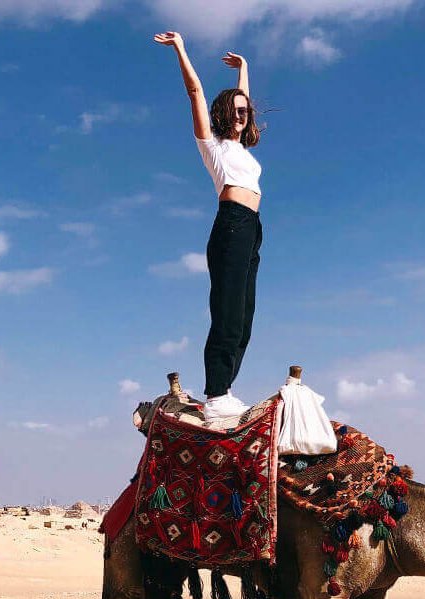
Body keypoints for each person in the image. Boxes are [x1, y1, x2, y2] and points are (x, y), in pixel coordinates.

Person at [154, 31, 263, 423]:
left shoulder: (244, 149)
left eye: (244, 110)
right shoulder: (212, 145)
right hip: (231, 225)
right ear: (222, 114)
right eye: (234, 109)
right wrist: (182, 49)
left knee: (245, 316)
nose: (241, 113)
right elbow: (195, 91)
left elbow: (244, 99)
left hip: (253, 228)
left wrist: (245, 71)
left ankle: (227, 387)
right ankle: (215, 391)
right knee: (227, 310)